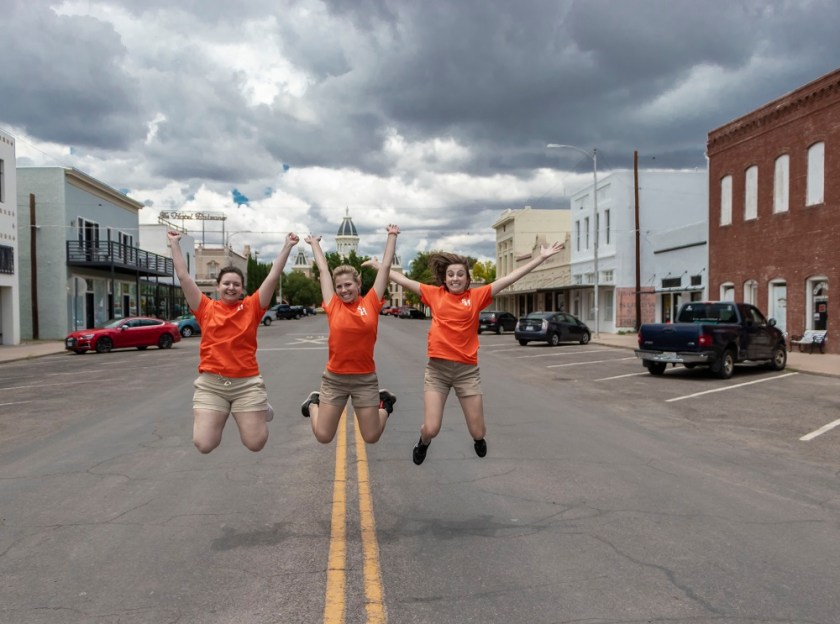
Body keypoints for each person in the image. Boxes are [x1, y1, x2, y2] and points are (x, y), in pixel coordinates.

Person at [365, 241, 564, 465]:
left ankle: (478, 439)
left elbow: (509, 279)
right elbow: (402, 280)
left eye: (460, 274)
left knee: (477, 431)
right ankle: (423, 442)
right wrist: (380, 266)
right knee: (431, 428)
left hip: (466, 373)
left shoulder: (477, 296)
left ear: (467, 278)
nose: (455, 278)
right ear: (444, 278)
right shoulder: (434, 294)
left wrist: (541, 258)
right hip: (437, 371)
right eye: (451, 274)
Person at [167, 230, 299, 453]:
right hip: (212, 385)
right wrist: (174, 244)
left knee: (255, 443)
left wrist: (287, 246)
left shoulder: (252, 307)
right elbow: (183, 277)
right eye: (226, 283)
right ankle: (223, 411)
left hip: (246, 384)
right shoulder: (205, 307)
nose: (231, 287)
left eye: (236, 284)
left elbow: (272, 276)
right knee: (205, 444)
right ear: (218, 286)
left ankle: (257, 408)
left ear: (242, 288)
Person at [299, 224, 400, 444]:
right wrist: (315, 244)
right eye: (339, 287)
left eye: (348, 285)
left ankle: (385, 404)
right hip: (335, 379)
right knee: (323, 436)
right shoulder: (333, 304)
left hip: (365, 379)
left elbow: (384, 269)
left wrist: (392, 236)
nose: (344, 290)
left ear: (358, 283)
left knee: (371, 437)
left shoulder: (371, 302)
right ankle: (314, 403)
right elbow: (323, 271)